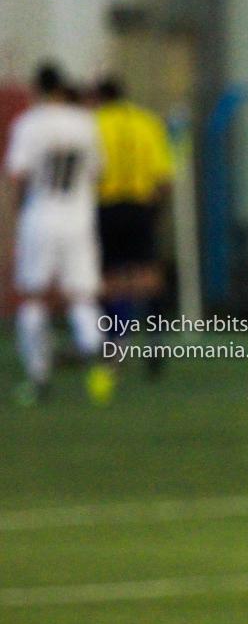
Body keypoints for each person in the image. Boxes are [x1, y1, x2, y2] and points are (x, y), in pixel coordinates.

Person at [4, 62, 113, 405]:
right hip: (78, 218)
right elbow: (98, 172)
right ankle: (98, 365)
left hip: (41, 216)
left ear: (37, 88)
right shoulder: (85, 123)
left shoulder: (28, 123)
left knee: (34, 297)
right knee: (82, 297)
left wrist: (16, 219)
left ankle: (38, 377)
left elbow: (18, 176)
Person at [93, 76, 174, 376]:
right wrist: (155, 212)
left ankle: (116, 343)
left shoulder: (94, 124)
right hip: (141, 206)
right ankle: (155, 340)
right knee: (149, 276)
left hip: (106, 206)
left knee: (109, 279)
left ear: (99, 97)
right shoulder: (147, 122)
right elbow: (164, 178)